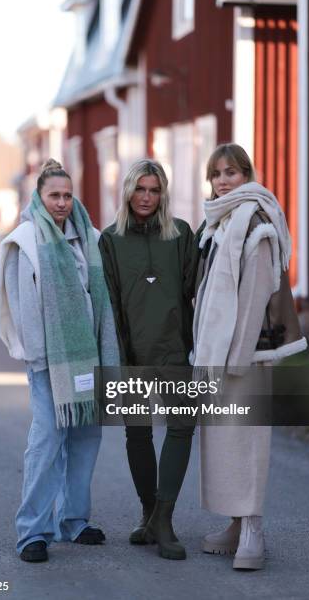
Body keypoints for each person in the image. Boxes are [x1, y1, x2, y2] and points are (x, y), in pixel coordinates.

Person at [0, 159, 119, 562]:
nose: (62, 202)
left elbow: (101, 298)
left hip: (87, 357)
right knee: (48, 437)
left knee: (85, 437)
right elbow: (20, 303)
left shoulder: (90, 237)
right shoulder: (25, 240)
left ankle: (74, 521)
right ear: (39, 196)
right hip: (49, 359)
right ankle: (32, 531)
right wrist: (37, 358)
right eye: (54, 195)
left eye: (67, 195)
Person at [191, 143, 307, 570]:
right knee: (226, 439)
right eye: (217, 173)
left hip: (247, 353)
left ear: (246, 176)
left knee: (249, 439)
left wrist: (235, 358)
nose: (223, 180)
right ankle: (237, 523)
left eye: (232, 172)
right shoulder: (220, 223)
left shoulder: (255, 223)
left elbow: (257, 293)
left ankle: (254, 529)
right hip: (220, 351)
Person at [99, 159, 195, 560]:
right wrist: (119, 358)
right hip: (132, 353)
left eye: (154, 190)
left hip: (175, 350)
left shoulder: (182, 235)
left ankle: (166, 519)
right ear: (127, 191)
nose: (147, 197)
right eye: (140, 189)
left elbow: (195, 293)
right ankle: (148, 512)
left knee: (181, 428)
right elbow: (110, 305)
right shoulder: (110, 241)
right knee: (137, 434)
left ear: (163, 194)